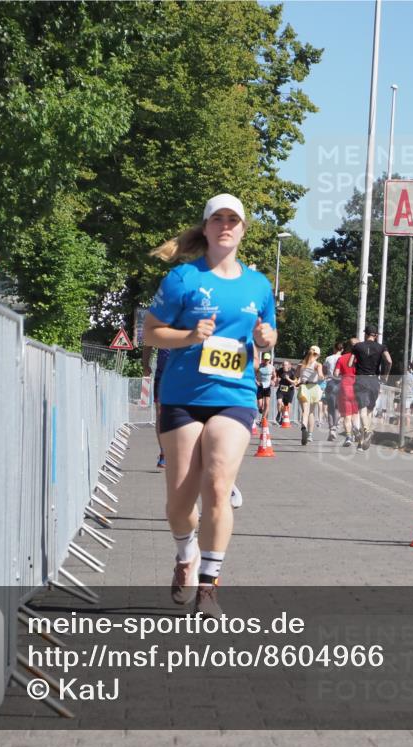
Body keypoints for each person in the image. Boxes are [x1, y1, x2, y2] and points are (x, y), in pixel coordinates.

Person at [143, 193, 277, 618]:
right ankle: (186, 554)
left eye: (233, 220)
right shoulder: (182, 279)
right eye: (217, 219)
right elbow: (149, 333)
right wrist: (187, 338)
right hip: (183, 397)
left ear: (243, 230)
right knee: (180, 504)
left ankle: (209, 587)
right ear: (205, 228)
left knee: (218, 486)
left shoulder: (258, 284)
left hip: (234, 396)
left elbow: (268, 332)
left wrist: (266, 339)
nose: (225, 226)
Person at [350, 324, 392, 451]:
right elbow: (389, 361)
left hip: (361, 380)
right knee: (368, 412)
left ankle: (367, 432)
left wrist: (358, 362)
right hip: (374, 381)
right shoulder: (381, 347)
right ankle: (362, 442)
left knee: (362, 411)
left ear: (365, 334)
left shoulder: (357, 346)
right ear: (376, 335)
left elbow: (350, 363)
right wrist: (385, 375)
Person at [141, 344, 169, 467]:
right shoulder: (161, 324)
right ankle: (164, 453)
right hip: (162, 374)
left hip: (185, 373)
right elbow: (148, 342)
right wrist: (145, 364)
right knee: (161, 414)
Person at [296, 345, 325, 444]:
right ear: (318, 355)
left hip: (303, 387)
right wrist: (322, 377)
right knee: (311, 413)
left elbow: (296, 376)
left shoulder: (301, 364)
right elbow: (320, 376)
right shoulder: (318, 364)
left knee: (305, 410)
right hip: (314, 388)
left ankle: (304, 425)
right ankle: (310, 435)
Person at [335, 337, 360, 447]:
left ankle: (348, 437)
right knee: (355, 413)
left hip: (345, 386)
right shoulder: (360, 359)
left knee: (347, 415)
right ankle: (356, 429)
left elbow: (336, 374)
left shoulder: (341, 358)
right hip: (357, 387)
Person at [323, 342, 343, 441]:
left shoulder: (328, 358)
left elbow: (324, 371)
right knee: (338, 408)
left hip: (330, 382)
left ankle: (331, 429)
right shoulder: (344, 358)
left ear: (334, 349)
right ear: (342, 350)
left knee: (330, 408)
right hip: (341, 383)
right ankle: (335, 427)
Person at [256, 351, 275, 428]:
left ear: (269, 360)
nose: (266, 361)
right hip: (260, 386)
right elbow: (253, 375)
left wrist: (273, 381)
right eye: (265, 359)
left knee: (267, 403)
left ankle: (263, 419)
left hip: (267, 386)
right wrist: (256, 382)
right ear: (263, 359)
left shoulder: (272, 367)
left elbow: (274, 376)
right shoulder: (259, 367)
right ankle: (261, 409)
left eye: (267, 360)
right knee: (260, 405)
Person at [276, 360, 297, 425]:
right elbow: (276, 378)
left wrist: (288, 379)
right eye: (283, 365)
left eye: (285, 365)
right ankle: (279, 413)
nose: (284, 366)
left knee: (287, 406)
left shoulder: (292, 372)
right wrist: (277, 380)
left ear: (288, 366)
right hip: (281, 389)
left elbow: (295, 382)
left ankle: (284, 418)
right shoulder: (280, 370)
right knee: (279, 402)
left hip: (289, 390)